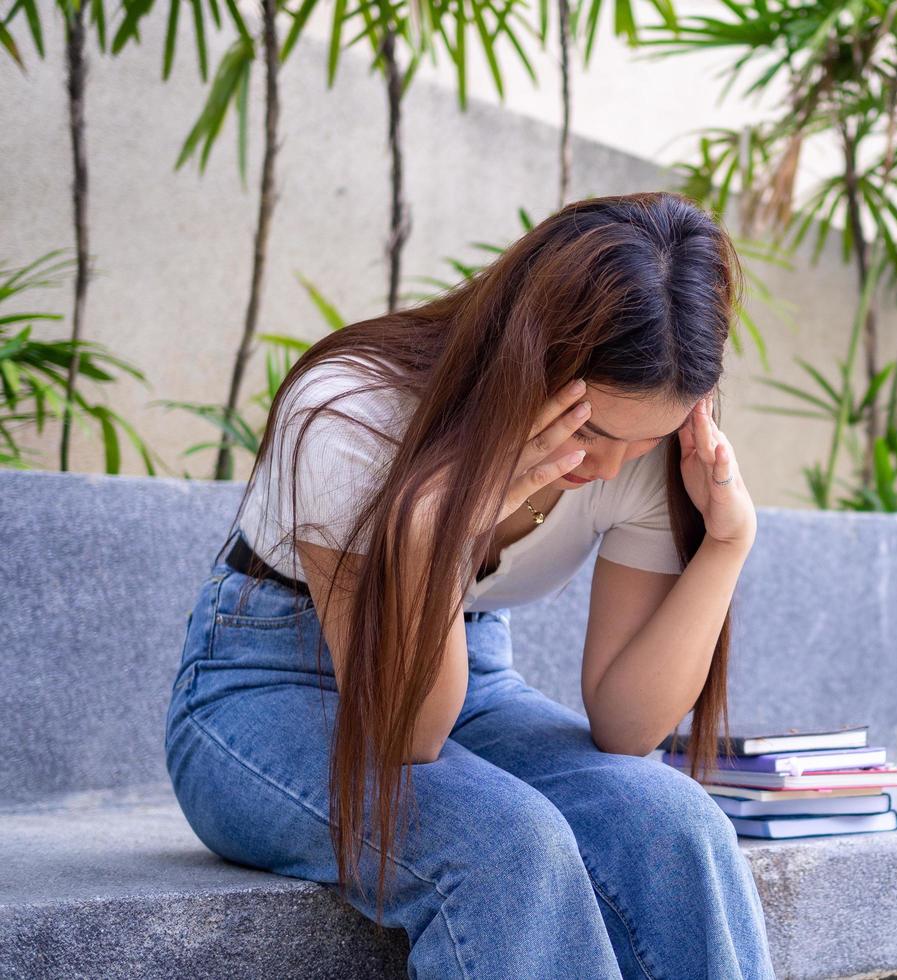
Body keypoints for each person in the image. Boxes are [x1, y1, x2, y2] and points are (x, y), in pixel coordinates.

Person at [162, 191, 777, 978]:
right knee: (506, 845)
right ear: (523, 360)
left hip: (472, 679)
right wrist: (435, 525)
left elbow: (628, 729)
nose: (610, 467)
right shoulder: (353, 417)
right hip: (259, 691)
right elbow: (407, 737)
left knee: (675, 824)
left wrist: (726, 545)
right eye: (588, 431)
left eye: (647, 437)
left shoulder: (656, 452)